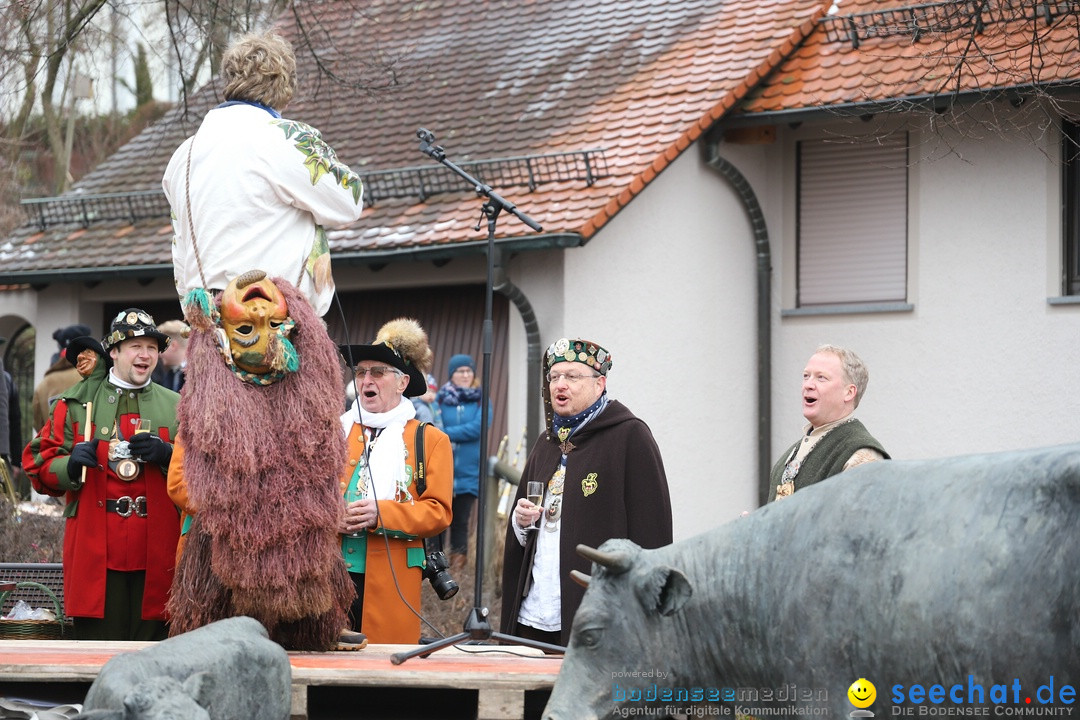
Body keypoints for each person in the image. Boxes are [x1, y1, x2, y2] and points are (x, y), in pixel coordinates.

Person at [162, 31, 364, 318]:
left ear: (229, 80)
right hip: (275, 318)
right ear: (285, 85)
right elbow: (348, 202)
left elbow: (180, 252)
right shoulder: (287, 139)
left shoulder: (183, 155)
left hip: (212, 320)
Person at [501, 337, 673, 647]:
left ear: (599, 383)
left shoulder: (630, 436)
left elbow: (652, 534)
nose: (559, 385)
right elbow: (525, 529)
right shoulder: (548, 443)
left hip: (598, 620)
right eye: (554, 377)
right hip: (535, 616)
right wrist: (521, 521)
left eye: (572, 376)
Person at [23, 309, 181, 641]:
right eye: (135, 346)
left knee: (154, 657)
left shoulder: (177, 406)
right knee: (96, 653)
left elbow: (204, 472)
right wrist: (68, 466)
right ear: (114, 352)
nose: (145, 355)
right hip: (95, 553)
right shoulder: (75, 404)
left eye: (152, 347)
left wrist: (169, 455)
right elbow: (37, 462)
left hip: (159, 554)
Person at [338, 318, 453, 644]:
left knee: (383, 675)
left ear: (402, 383)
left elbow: (438, 512)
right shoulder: (334, 431)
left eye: (377, 372)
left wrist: (381, 514)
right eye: (360, 372)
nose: (365, 380)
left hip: (391, 581)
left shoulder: (429, 440)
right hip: (329, 579)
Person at [768, 344, 889, 503]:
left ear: (849, 392)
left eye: (821, 377)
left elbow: (860, 522)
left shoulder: (862, 454)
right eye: (806, 376)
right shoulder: (789, 456)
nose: (808, 385)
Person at [436, 353, 488, 572]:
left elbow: (478, 428)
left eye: (468, 371)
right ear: (451, 375)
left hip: (468, 474)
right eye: (460, 371)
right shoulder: (439, 399)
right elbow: (429, 427)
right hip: (440, 473)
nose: (465, 375)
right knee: (437, 522)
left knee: (460, 522)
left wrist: (445, 433)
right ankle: (434, 570)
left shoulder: (480, 400)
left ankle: (457, 574)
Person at [150, 319, 188, 392]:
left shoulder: (199, 375)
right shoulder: (169, 375)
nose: (158, 354)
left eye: (160, 347)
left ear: (173, 345)